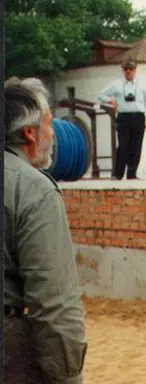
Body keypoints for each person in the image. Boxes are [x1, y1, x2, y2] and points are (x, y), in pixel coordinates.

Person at [4, 77, 88, 383]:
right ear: (29, 132)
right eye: (49, 124)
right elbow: (54, 305)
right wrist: (68, 375)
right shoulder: (33, 189)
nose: (53, 134)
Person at [97, 59, 146, 180]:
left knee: (136, 146)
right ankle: (118, 174)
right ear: (123, 71)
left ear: (135, 70)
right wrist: (110, 100)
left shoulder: (142, 84)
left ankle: (132, 174)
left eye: (131, 69)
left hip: (138, 117)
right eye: (126, 69)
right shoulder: (117, 84)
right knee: (123, 146)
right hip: (124, 117)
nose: (128, 71)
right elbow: (101, 94)